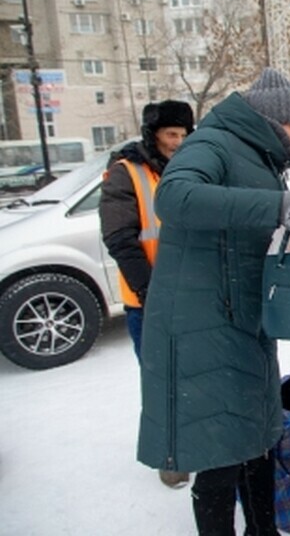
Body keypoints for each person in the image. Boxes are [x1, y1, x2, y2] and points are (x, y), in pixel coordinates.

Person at [136, 67, 290, 536]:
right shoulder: (213, 143)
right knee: (219, 453)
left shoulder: (258, 156)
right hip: (204, 326)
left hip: (241, 320)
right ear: (268, 119)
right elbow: (176, 197)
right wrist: (276, 207)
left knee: (257, 442)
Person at [99, 100, 193, 489]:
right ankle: (170, 457)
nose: (178, 142)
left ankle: (197, 444)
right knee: (161, 382)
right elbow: (120, 237)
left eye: (184, 135)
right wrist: (151, 289)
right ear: (153, 134)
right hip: (149, 301)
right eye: (172, 134)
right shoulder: (126, 174)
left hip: (190, 297)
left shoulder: (189, 170)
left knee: (193, 378)